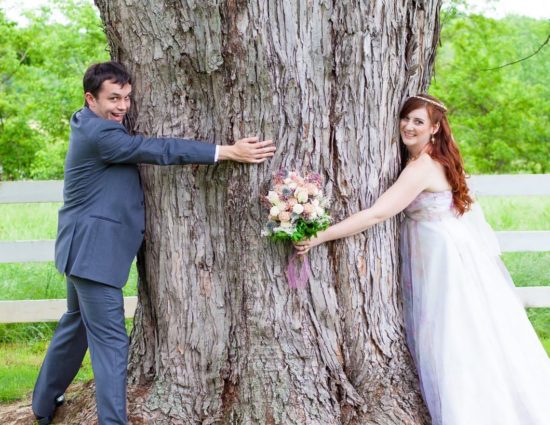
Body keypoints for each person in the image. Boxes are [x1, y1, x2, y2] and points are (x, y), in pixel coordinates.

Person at [32, 61, 276, 425]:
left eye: (127, 98)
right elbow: (159, 149)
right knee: (111, 343)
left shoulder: (84, 120)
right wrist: (227, 152)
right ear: (90, 98)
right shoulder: (102, 136)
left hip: (79, 249)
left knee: (76, 325)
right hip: (95, 254)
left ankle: (42, 405)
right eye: (113, 98)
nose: (122, 107)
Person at [294, 94, 550, 424]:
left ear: (434, 128)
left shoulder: (423, 167)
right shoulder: (428, 160)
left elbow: (377, 213)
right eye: (406, 118)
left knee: (455, 338)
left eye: (419, 121)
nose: (409, 126)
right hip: (443, 251)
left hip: (443, 262)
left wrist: (321, 235)